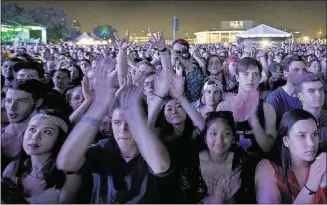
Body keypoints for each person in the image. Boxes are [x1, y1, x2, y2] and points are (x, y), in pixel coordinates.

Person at [57, 58, 173, 204]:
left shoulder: (152, 150)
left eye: (130, 123)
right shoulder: (103, 148)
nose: (123, 130)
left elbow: (160, 166)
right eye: (117, 123)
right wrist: (99, 105)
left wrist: (135, 113)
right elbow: (65, 162)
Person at [2, 109, 82, 204]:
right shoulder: (13, 167)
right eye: (32, 129)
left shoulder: (70, 175)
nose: (35, 136)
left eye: (47, 132)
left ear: (59, 140)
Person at [255, 109, 326, 204]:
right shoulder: (267, 168)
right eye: (301, 136)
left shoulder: (322, 161)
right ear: (286, 141)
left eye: (315, 134)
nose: (311, 143)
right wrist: (310, 186)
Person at [216, 57, 277, 159]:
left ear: (259, 78)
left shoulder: (267, 109)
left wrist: (254, 121)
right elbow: (218, 145)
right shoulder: (224, 106)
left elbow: (269, 148)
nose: (250, 79)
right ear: (237, 77)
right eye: (245, 74)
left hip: (258, 165)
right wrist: (234, 119)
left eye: (255, 74)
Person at [199, 111, 257, 204]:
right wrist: (217, 199)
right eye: (213, 133)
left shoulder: (244, 163)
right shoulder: (192, 165)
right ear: (205, 137)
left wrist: (230, 199)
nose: (219, 140)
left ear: (234, 138)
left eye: (226, 134)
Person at [2, 79, 45, 172]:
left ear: (38, 102)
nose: (12, 108)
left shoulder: (43, 137)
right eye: (9, 101)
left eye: (21, 101)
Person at [266, 55, 306, 122]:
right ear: (285, 74)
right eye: (296, 70)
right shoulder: (274, 98)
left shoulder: (308, 95)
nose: (302, 73)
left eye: (304, 70)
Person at [296, 72, 326, 153]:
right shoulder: (292, 120)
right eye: (311, 91)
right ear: (300, 96)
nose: (319, 94)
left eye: (321, 89)